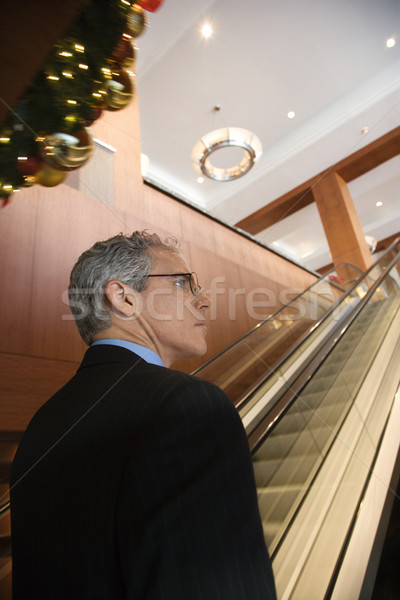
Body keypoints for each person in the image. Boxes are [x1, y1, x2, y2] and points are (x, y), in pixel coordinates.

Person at [10, 231, 276, 599]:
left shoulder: (43, 422)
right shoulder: (189, 404)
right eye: (183, 283)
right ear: (123, 298)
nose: (204, 301)